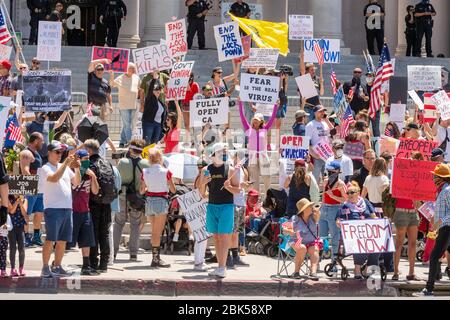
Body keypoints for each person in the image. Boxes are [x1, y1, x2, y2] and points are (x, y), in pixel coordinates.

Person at [39, 141, 81, 278]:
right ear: (49, 152)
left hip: (67, 208)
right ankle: (45, 267)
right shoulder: (46, 168)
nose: (60, 155)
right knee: (50, 239)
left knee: (63, 240)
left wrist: (77, 168)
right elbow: (54, 178)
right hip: (53, 208)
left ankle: (57, 265)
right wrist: (66, 164)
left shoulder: (64, 167)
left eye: (61, 152)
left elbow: (76, 182)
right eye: (57, 152)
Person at [199, 143, 241, 278]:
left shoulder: (230, 169)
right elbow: (201, 192)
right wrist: (203, 182)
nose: (224, 154)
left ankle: (222, 267)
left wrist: (228, 187)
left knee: (224, 237)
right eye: (221, 152)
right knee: (216, 238)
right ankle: (219, 266)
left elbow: (238, 191)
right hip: (212, 206)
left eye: (225, 152)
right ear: (214, 154)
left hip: (226, 206)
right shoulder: (206, 169)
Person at [414, 164, 450, 296]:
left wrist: (439, 221)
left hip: (447, 228)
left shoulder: (447, 191)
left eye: (435, 175)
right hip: (444, 227)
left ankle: (429, 289)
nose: (433, 177)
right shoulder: (442, 190)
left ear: (441, 178)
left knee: (434, 257)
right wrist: (435, 218)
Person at [84, 139, 116, 273]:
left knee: (94, 233)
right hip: (107, 203)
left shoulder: (90, 164)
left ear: (89, 151)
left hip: (94, 203)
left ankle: (93, 262)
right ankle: (104, 263)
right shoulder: (107, 163)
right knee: (105, 233)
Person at [140, 148, 175, 268]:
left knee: (153, 231)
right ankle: (156, 259)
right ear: (160, 158)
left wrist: (150, 187)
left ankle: (155, 257)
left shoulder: (145, 171)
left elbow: (141, 190)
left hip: (149, 201)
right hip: (161, 201)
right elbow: (173, 189)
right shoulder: (166, 172)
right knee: (157, 232)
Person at [115, 139, 149, 261]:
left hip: (123, 195)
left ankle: (114, 251)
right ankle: (133, 253)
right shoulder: (146, 163)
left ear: (130, 149)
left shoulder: (122, 162)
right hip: (138, 196)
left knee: (119, 223)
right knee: (135, 224)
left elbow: (117, 179)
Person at [336, 183, 379, 279]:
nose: (349, 195)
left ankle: (367, 268)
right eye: (348, 193)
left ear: (358, 193)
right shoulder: (345, 206)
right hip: (353, 236)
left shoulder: (366, 203)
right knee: (359, 244)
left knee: (378, 247)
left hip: (368, 233)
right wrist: (339, 222)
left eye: (352, 192)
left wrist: (379, 221)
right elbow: (338, 220)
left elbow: (373, 216)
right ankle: (357, 270)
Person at [68, 149, 100, 276]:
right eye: (85, 159)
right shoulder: (71, 173)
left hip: (85, 210)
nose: (87, 161)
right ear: (78, 159)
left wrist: (93, 177)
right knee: (66, 241)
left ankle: (86, 265)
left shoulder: (89, 174)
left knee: (86, 240)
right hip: (72, 211)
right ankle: (56, 263)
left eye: (88, 158)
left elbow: (95, 191)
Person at [238, 101, 277, 194]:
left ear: (261, 121)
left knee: (267, 178)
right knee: (254, 180)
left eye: (257, 119)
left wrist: (276, 106)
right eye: (254, 119)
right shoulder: (248, 129)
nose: (255, 121)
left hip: (264, 156)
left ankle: (269, 198)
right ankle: (256, 199)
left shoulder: (265, 128)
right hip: (252, 157)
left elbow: (272, 118)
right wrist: (240, 103)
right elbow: (242, 116)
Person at [283, 198, 321, 280]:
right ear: (304, 209)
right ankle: (296, 272)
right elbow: (284, 229)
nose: (311, 207)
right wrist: (290, 231)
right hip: (296, 241)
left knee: (315, 249)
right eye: (309, 206)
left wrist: (316, 210)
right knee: (302, 248)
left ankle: (313, 272)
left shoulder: (313, 217)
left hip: (311, 242)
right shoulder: (295, 218)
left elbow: (318, 214)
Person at [19, 133, 44, 247]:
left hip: (39, 187)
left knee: (39, 212)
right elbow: (25, 170)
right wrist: (34, 184)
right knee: (26, 213)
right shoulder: (26, 153)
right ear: (36, 141)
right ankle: (26, 237)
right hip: (30, 187)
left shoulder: (36, 153)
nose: (43, 143)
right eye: (41, 140)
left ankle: (36, 237)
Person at [319, 161, 347, 262]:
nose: (330, 172)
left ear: (338, 171)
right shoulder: (326, 180)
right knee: (321, 237)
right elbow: (323, 194)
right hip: (324, 209)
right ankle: (317, 261)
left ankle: (333, 262)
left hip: (335, 209)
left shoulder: (341, 184)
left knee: (335, 237)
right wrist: (321, 206)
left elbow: (345, 199)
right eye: (329, 170)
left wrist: (333, 196)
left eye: (332, 170)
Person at [227, 149, 250, 268]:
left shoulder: (242, 169)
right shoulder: (231, 168)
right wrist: (242, 185)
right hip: (233, 202)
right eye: (240, 156)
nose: (242, 159)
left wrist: (245, 185)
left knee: (236, 231)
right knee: (231, 231)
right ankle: (228, 256)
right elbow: (228, 185)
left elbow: (241, 185)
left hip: (240, 202)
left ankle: (235, 256)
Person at [109, 64, 141, 148]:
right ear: (127, 69)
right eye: (132, 68)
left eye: (134, 68)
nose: (134, 70)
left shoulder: (137, 77)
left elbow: (140, 88)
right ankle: (131, 143)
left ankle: (122, 141)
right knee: (128, 125)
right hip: (124, 106)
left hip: (134, 105)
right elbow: (111, 84)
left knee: (127, 124)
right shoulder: (120, 78)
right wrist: (112, 75)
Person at [305, 105, 334, 185]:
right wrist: (313, 154)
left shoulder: (325, 123)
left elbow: (333, 132)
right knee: (315, 180)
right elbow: (307, 142)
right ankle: (314, 196)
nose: (322, 113)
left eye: (323, 111)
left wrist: (327, 120)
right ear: (315, 113)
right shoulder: (310, 125)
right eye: (320, 111)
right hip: (316, 156)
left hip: (327, 155)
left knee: (328, 179)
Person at [141, 78, 167, 145]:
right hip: (149, 123)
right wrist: (154, 79)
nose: (158, 91)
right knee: (146, 142)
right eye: (156, 89)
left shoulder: (161, 102)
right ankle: (145, 155)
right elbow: (150, 89)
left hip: (158, 125)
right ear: (152, 90)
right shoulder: (149, 98)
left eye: (159, 89)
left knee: (154, 144)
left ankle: (152, 155)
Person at [7, 195, 27, 277]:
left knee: (21, 247)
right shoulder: (8, 198)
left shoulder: (25, 199)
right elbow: (11, 211)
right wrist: (16, 203)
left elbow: (25, 213)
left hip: (20, 226)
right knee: (13, 248)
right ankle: (12, 268)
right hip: (11, 226)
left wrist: (21, 204)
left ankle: (21, 267)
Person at [0, 211, 12, 277]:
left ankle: (3, 271)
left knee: (3, 255)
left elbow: (10, 227)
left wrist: (6, 226)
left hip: (3, 237)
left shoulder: (6, 215)